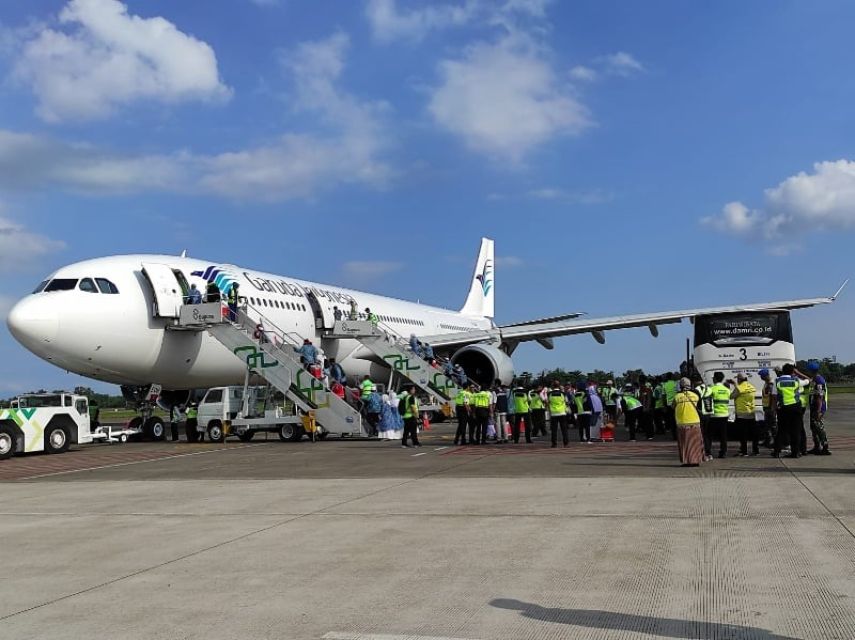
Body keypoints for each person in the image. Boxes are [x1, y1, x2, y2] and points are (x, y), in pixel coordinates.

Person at [775, 364, 810, 458]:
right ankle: (795, 452)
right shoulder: (796, 381)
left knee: (781, 430)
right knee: (796, 430)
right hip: (795, 408)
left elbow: (775, 396)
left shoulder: (777, 381)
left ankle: (776, 451)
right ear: (792, 372)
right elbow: (808, 380)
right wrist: (798, 373)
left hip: (783, 408)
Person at [673, 377, 704, 466]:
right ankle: (696, 461)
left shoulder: (677, 396)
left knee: (685, 443)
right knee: (695, 442)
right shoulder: (695, 395)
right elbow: (699, 406)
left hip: (682, 422)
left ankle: (686, 461)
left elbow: (673, 406)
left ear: (680, 386)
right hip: (695, 421)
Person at [805, 361, 831, 455]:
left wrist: (819, 411)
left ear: (811, 371)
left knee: (819, 427)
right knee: (814, 427)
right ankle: (817, 446)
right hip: (814, 407)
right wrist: (796, 372)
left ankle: (825, 447)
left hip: (818, 408)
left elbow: (820, 397)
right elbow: (807, 379)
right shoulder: (815, 379)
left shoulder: (819, 381)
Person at [731, 372, 759, 456]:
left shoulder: (739, 388)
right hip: (751, 412)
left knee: (743, 434)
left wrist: (734, 385)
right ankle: (755, 450)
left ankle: (744, 451)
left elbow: (731, 396)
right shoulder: (752, 387)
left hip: (742, 413)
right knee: (754, 433)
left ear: (739, 379)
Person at [709, 372, 731, 458]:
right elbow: (731, 396)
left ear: (714, 379)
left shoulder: (712, 389)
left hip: (714, 415)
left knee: (709, 435)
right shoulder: (726, 390)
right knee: (723, 435)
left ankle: (708, 452)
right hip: (724, 415)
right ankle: (723, 452)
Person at [693, 375, 714, 461]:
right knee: (708, 435)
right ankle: (709, 453)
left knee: (701, 434)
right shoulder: (709, 389)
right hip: (709, 414)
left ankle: (703, 453)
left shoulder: (696, 390)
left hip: (700, 414)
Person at [548, 381, 570, 448]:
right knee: (564, 429)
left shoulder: (549, 394)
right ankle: (565, 443)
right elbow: (567, 402)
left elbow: (548, 402)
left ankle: (554, 444)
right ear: (559, 386)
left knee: (554, 430)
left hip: (554, 413)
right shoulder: (563, 393)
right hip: (562, 412)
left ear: (552, 386)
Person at [638, 375, 655, 440]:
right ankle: (647, 435)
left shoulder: (647, 390)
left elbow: (649, 400)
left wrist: (646, 408)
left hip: (648, 409)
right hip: (644, 408)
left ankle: (650, 436)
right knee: (645, 422)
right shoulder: (641, 390)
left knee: (649, 422)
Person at [662, 372, 678, 440]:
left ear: (667, 378)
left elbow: (663, 396)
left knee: (672, 420)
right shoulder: (676, 383)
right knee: (678, 419)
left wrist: (664, 406)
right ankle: (679, 434)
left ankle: (674, 435)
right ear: (672, 377)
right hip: (677, 403)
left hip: (669, 405)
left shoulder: (664, 385)